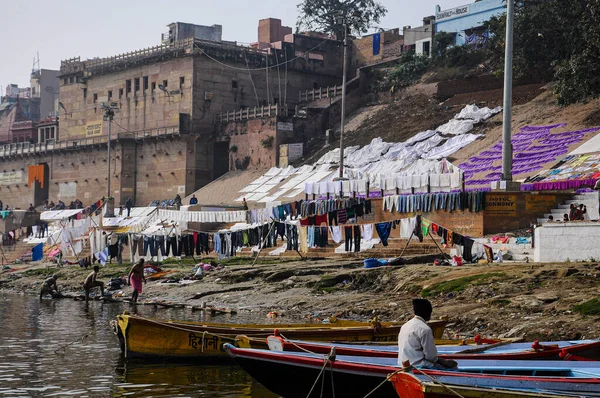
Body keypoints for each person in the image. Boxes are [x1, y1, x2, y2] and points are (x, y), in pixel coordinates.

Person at [398, 299, 458, 369]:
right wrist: (444, 362)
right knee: (452, 368)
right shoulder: (425, 329)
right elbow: (431, 357)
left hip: (401, 364)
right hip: (418, 365)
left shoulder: (405, 325)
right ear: (428, 312)